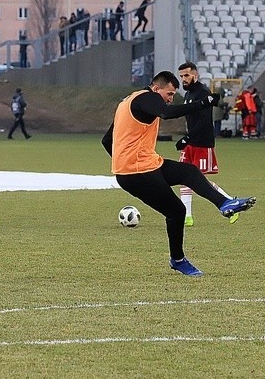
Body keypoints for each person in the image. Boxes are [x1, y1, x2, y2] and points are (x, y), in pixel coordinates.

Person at [101, 71, 256, 276]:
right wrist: (203, 103)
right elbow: (166, 112)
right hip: (138, 171)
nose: (170, 98)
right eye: (170, 94)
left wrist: (121, 162)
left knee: (188, 171)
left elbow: (106, 140)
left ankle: (224, 203)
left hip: (144, 165)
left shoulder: (126, 103)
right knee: (176, 211)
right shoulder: (147, 97)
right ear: (156, 88)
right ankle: (178, 260)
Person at [176, 63, 239, 227]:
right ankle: (187, 216)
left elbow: (204, 121)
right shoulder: (188, 94)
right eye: (181, 76)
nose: (183, 79)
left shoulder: (203, 92)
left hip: (202, 143)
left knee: (200, 182)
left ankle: (230, 201)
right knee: (184, 179)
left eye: (186, 75)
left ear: (195, 75)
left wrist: (188, 137)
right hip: (190, 143)